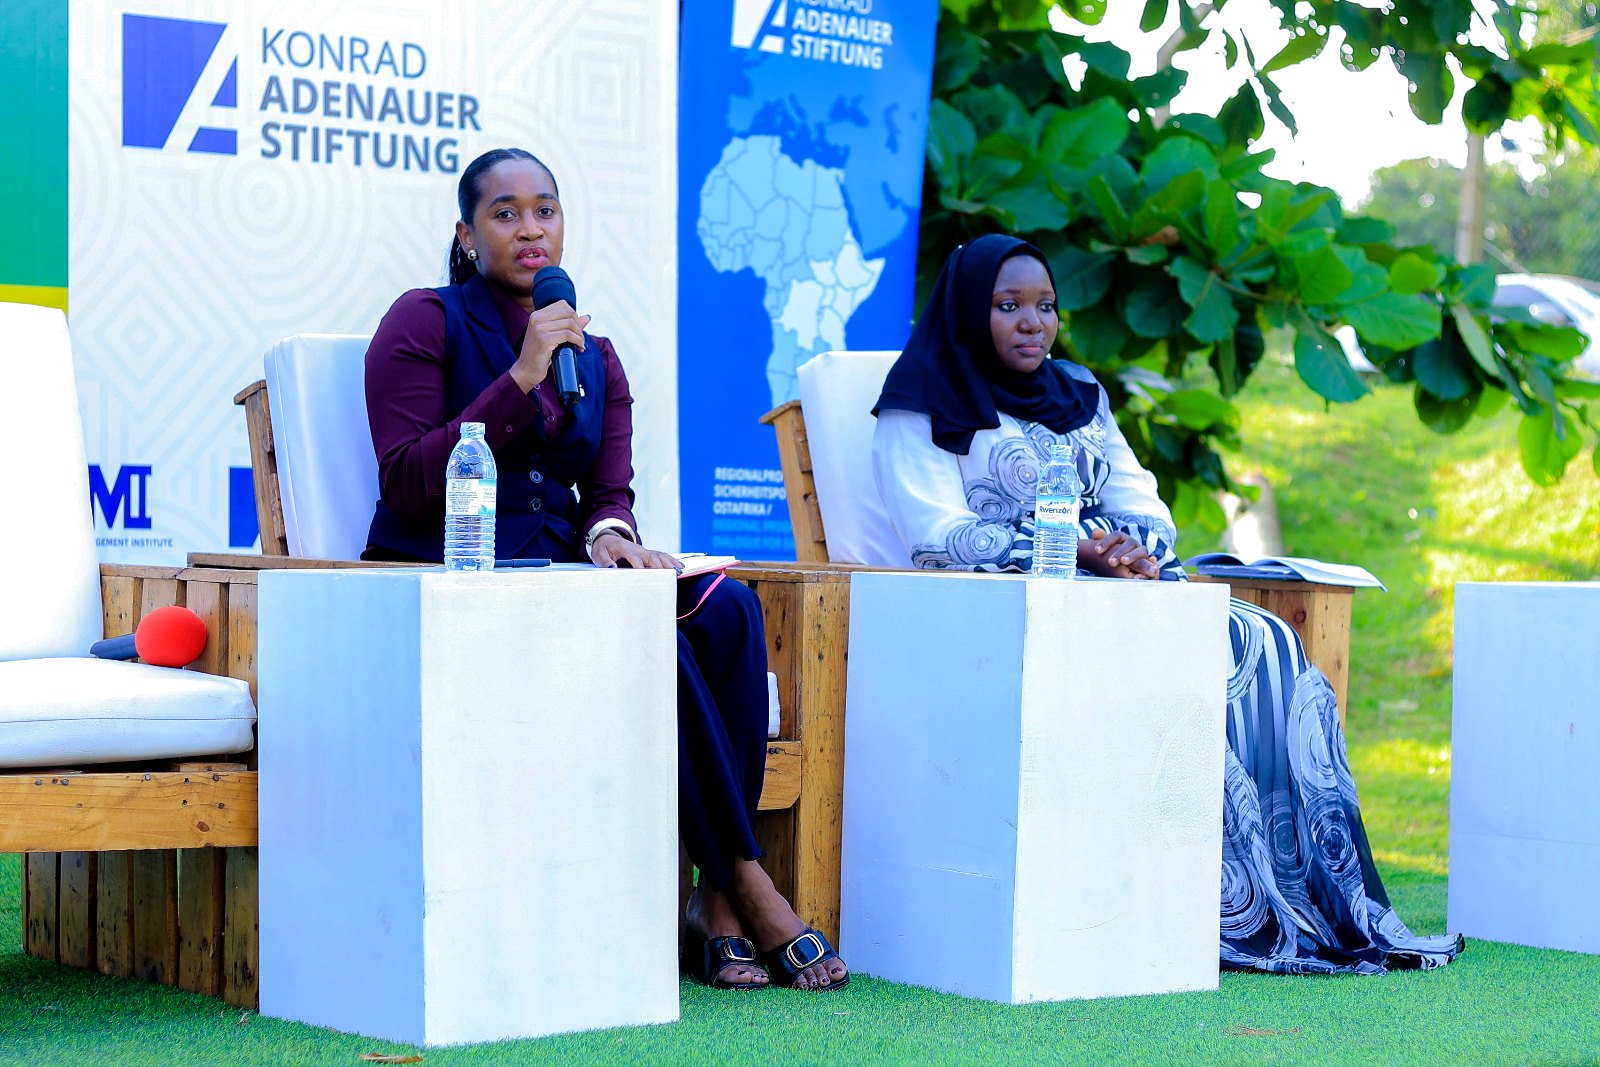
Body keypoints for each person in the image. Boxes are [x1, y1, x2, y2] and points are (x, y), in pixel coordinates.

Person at [870, 233, 1462, 975]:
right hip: (1002, 610)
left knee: (1264, 638)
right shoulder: (918, 404)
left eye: (1046, 306)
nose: (1033, 322)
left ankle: (1300, 896)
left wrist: (1126, 549)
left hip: (1118, 591)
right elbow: (935, 535)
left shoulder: (1079, 393)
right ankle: (1231, 906)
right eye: (1008, 305)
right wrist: (1070, 545)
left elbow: (1141, 500)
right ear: (965, 311)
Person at [361, 147, 848, 991]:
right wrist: (520, 376)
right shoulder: (424, 320)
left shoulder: (599, 356)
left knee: (724, 611)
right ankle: (745, 884)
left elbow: (607, 491)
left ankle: (717, 898)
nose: (529, 228)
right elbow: (404, 481)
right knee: (648, 639)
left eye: (544, 209)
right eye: (505, 213)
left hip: (560, 585)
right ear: (467, 235)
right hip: (448, 584)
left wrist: (612, 537)